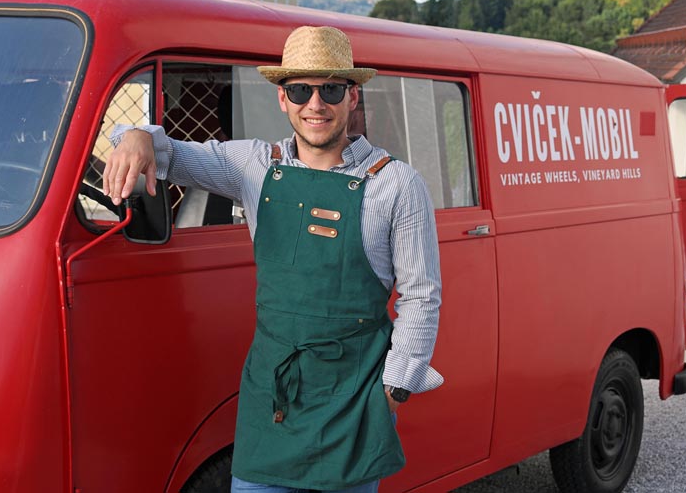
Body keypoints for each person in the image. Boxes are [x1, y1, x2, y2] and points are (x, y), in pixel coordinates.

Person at [103, 25, 443, 493]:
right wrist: (136, 135)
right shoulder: (255, 165)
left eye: (331, 90)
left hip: (355, 397)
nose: (315, 104)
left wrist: (394, 390)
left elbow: (421, 296)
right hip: (272, 394)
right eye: (301, 90)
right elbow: (169, 156)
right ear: (283, 98)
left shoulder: (398, 184)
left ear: (353, 96)